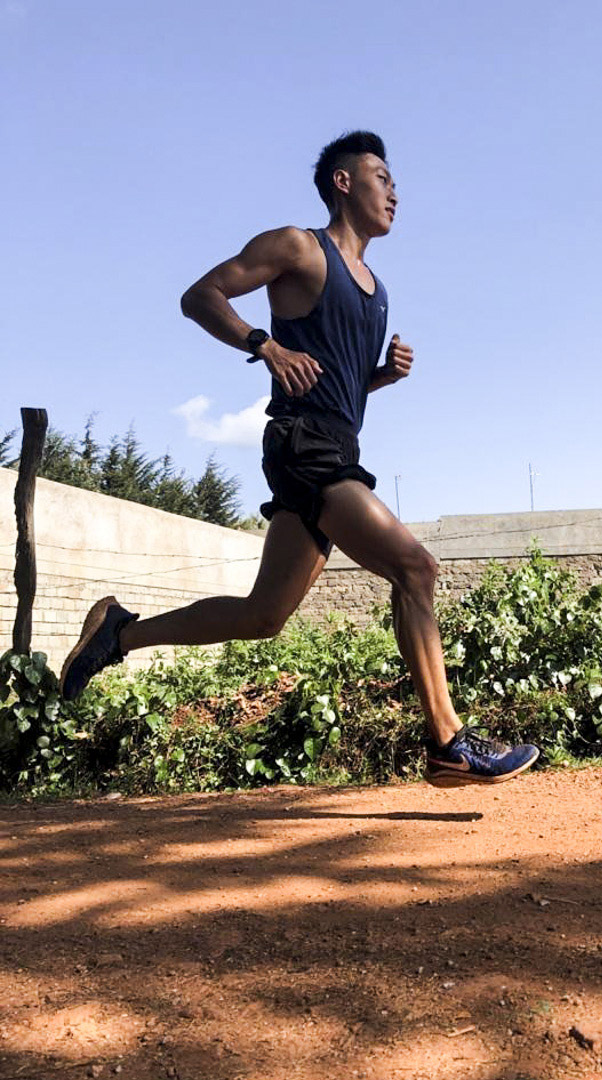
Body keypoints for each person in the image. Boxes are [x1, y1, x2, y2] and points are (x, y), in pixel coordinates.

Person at [60, 131, 539, 786]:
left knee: (264, 615)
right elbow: (200, 295)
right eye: (380, 175)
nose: (394, 190)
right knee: (415, 570)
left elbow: (333, 382)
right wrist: (264, 345)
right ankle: (449, 740)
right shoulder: (298, 246)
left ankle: (118, 634)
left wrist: (380, 381)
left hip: (333, 443)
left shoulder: (377, 291)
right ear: (343, 183)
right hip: (304, 444)